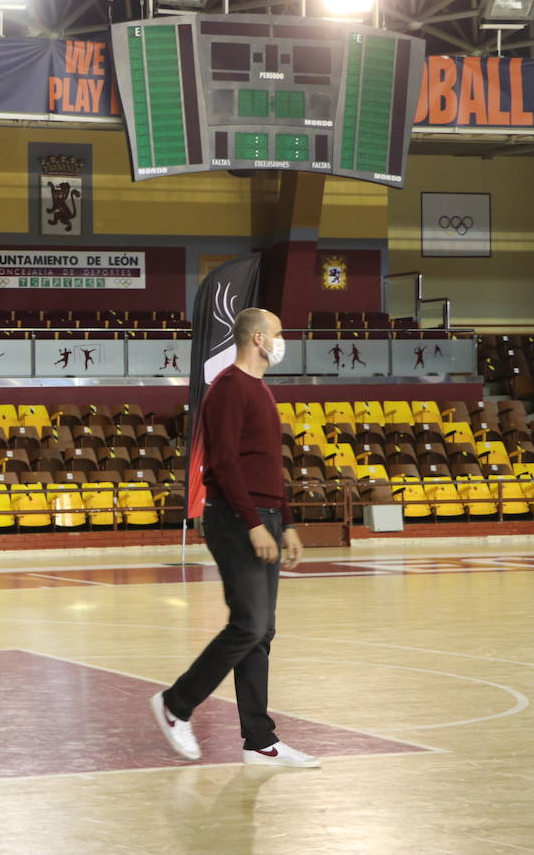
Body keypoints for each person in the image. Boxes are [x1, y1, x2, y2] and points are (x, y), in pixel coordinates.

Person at [150, 309, 320, 769]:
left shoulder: (262, 391)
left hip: (262, 515)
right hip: (233, 518)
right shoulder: (227, 389)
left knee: (261, 631)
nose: (283, 342)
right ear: (260, 338)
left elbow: (268, 467)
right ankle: (175, 704)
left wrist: (285, 522)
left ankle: (259, 741)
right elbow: (223, 465)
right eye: (280, 334)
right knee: (247, 625)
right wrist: (252, 523)